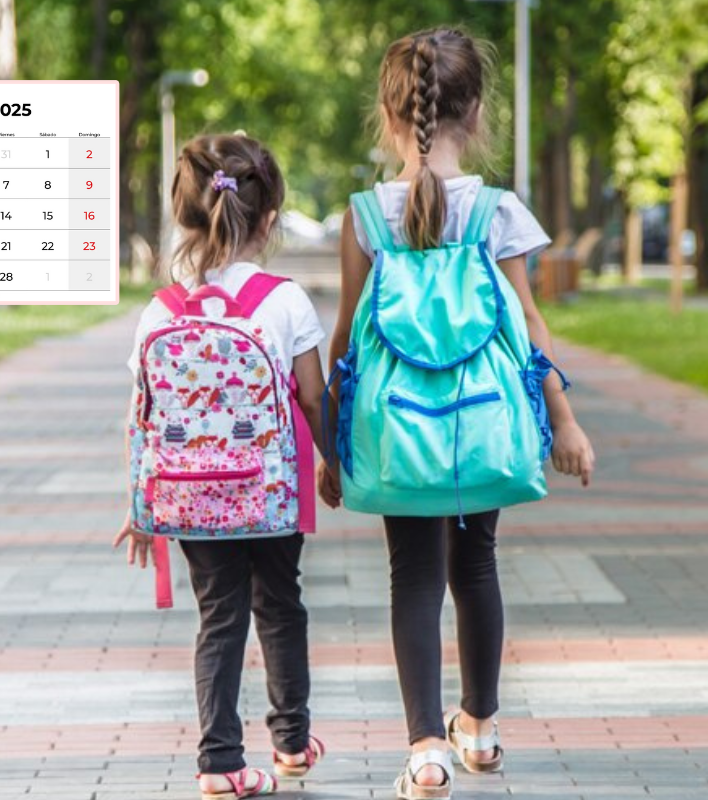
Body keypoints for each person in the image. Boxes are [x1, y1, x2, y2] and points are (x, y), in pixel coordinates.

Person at [318, 28, 596, 800]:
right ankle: (480, 724)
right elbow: (530, 326)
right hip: (482, 424)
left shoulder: (365, 216)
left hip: (394, 427)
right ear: (475, 112)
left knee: (412, 575)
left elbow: (346, 339)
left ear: (388, 111)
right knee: (475, 566)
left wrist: (330, 444)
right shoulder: (497, 212)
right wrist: (565, 422)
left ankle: (425, 747)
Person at [116, 134, 328, 800]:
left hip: (189, 498)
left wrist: (139, 507)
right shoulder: (285, 300)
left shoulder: (160, 311)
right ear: (268, 221)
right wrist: (335, 464)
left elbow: (140, 418)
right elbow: (314, 396)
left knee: (219, 618)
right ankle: (291, 742)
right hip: (270, 494)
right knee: (282, 605)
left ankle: (220, 762)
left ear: (183, 217)